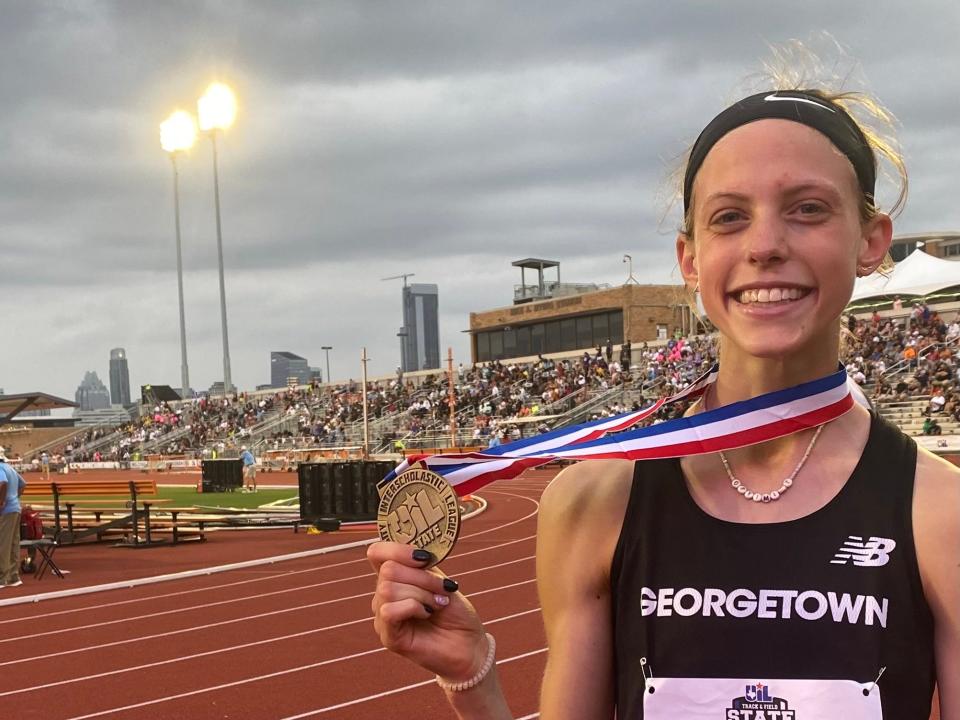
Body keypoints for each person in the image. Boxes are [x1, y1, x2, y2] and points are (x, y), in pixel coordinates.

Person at [366, 72, 958, 718]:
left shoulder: (940, 516)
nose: (765, 245)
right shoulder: (593, 503)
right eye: (729, 218)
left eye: (808, 208)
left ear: (871, 241)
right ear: (690, 259)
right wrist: (473, 676)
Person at [0, 449, 26, 588]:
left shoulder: (0, 468)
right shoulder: (9, 467)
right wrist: (14, 498)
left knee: (3, 543)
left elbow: (2, 483)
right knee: (14, 543)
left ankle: (2, 577)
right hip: (15, 508)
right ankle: (13, 576)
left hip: (6, 511)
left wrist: (2, 501)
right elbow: (23, 484)